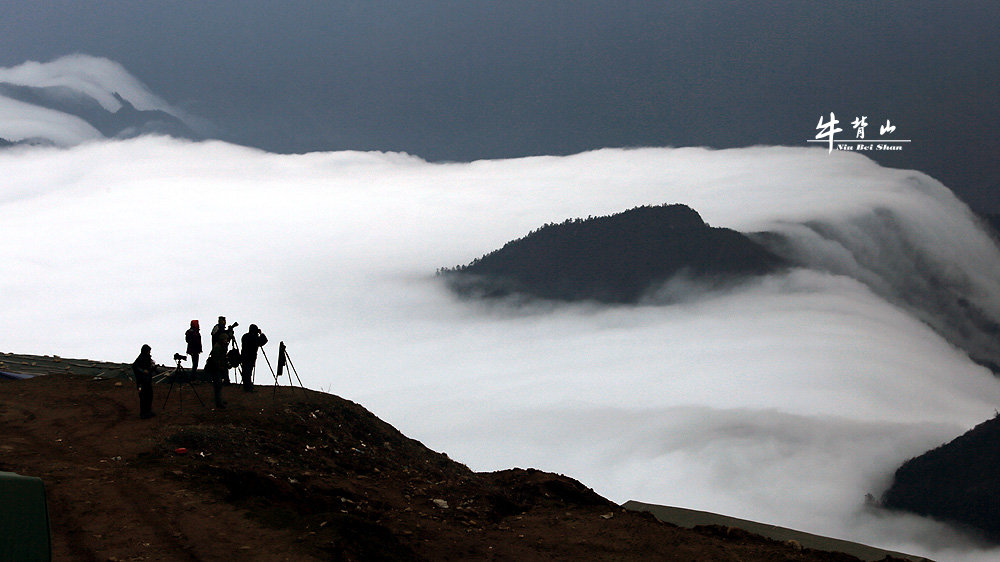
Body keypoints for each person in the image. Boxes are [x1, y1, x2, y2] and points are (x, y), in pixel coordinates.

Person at [207, 325, 231, 409]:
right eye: (226, 339)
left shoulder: (219, 346)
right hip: (216, 368)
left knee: (219, 386)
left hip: (217, 368)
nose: (227, 341)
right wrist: (221, 367)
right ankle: (218, 402)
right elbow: (216, 359)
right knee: (218, 386)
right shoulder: (218, 347)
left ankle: (219, 400)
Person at [240, 325, 268, 392]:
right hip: (251, 357)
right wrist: (261, 334)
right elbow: (264, 341)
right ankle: (248, 387)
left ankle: (246, 386)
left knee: (245, 372)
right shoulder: (254, 337)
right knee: (248, 372)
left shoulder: (245, 336)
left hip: (244, 356)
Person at [132, 344, 157, 419]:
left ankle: (148, 411)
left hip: (147, 381)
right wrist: (143, 371)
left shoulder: (147, 358)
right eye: (149, 351)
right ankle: (143, 413)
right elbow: (135, 367)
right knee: (143, 397)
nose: (149, 353)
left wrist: (153, 368)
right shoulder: (141, 358)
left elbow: (149, 369)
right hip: (142, 382)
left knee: (149, 396)